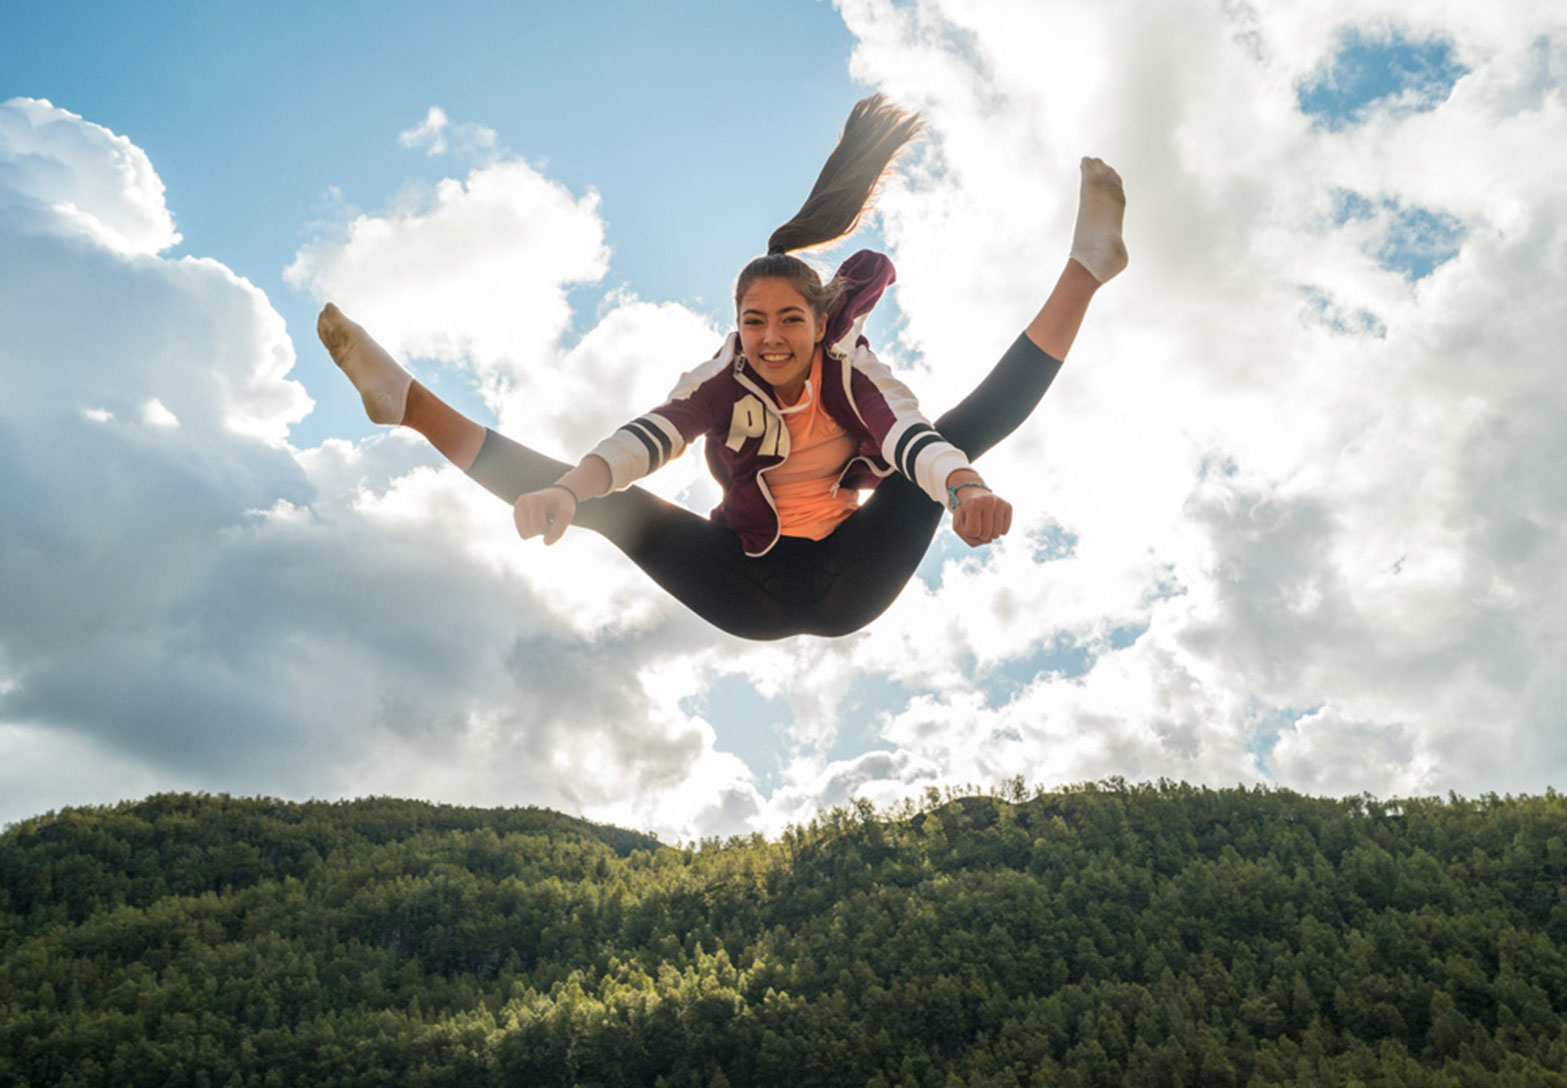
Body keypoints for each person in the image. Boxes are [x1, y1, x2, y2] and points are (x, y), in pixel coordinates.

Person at [317, 94, 1126, 640]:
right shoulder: (720, 381)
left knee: (954, 442)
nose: (769, 339)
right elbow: (649, 438)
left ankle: (1085, 269)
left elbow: (913, 438)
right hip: (746, 585)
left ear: (819, 322)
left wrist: (964, 488)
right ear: (736, 326)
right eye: (752, 322)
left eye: (787, 321)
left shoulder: (852, 374)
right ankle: (409, 404)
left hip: (854, 574)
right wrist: (567, 490)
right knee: (614, 505)